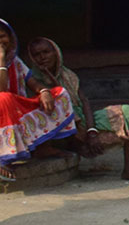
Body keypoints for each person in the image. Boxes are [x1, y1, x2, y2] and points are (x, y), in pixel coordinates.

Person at [26, 36, 129, 181]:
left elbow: (84, 102)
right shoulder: (31, 80)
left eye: (46, 52)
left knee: (127, 112)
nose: (42, 57)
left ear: (56, 52)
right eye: (37, 55)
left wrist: (91, 131)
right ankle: (77, 145)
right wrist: (51, 80)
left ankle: (128, 170)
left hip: (82, 122)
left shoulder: (68, 75)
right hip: (59, 130)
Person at [0, 18, 75, 182]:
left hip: (16, 113)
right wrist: (1, 60)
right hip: (2, 115)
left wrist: (44, 91)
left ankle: (44, 148)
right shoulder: (3, 60)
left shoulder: (16, 61)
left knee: (60, 93)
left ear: (10, 38)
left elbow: (33, 82)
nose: (0, 42)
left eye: (3, 36)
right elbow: (2, 90)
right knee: (4, 98)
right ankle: (3, 158)